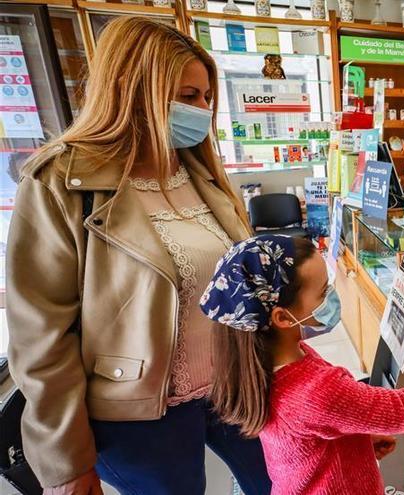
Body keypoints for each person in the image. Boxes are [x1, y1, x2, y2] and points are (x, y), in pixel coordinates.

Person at [6, 18, 271, 494]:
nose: (203, 111)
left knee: (282, 481)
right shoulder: (61, 183)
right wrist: (66, 462)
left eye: (207, 97)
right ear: (132, 89)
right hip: (138, 413)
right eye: (188, 96)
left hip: (234, 387)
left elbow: (241, 290)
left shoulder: (200, 172)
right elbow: (42, 339)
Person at [201, 235, 404, 495]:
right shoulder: (315, 389)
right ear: (282, 318)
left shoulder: (259, 365)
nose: (331, 296)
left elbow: (306, 442)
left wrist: (357, 440)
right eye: (322, 292)